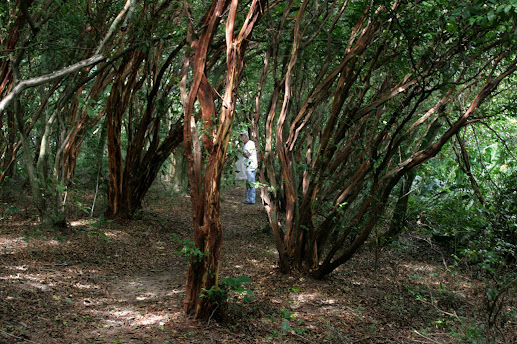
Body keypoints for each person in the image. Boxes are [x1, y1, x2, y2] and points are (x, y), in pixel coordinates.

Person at [240, 131, 258, 204]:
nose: (241, 138)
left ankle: (252, 200)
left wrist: (238, 150)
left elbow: (247, 155)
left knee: (251, 183)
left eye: (242, 136)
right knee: (248, 184)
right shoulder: (245, 145)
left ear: (245, 136)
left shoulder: (250, 143)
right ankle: (248, 199)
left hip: (251, 167)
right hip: (248, 167)